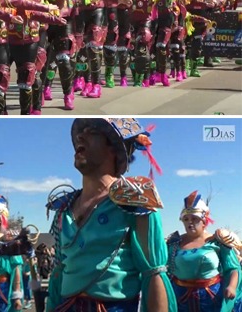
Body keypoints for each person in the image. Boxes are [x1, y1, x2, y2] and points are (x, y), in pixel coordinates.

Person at [46, 119, 175, 312]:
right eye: (81, 133)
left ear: (114, 147)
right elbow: (59, 273)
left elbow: (154, 272)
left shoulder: (136, 198)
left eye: (92, 132)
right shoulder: (63, 207)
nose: (80, 136)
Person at [166, 191, 239, 312]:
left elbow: (232, 268)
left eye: (195, 218)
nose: (190, 222)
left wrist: (231, 287)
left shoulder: (217, 241)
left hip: (211, 297)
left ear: (204, 221)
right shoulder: (173, 243)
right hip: (180, 298)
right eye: (186, 219)